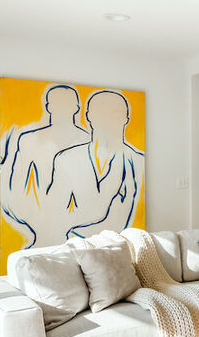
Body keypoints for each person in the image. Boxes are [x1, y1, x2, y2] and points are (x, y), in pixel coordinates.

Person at [46, 90, 145, 240]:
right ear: (88, 116)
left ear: (126, 118)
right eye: (101, 112)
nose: (108, 119)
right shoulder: (66, 159)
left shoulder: (139, 162)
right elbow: (55, 214)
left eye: (115, 113)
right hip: (77, 244)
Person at [1, 85, 90, 247]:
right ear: (48, 107)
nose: (62, 108)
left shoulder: (88, 141)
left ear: (77, 107)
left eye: (66, 103)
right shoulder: (29, 140)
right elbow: (17, 186)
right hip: (39, 218)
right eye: (58, 103)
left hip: (77, 215)